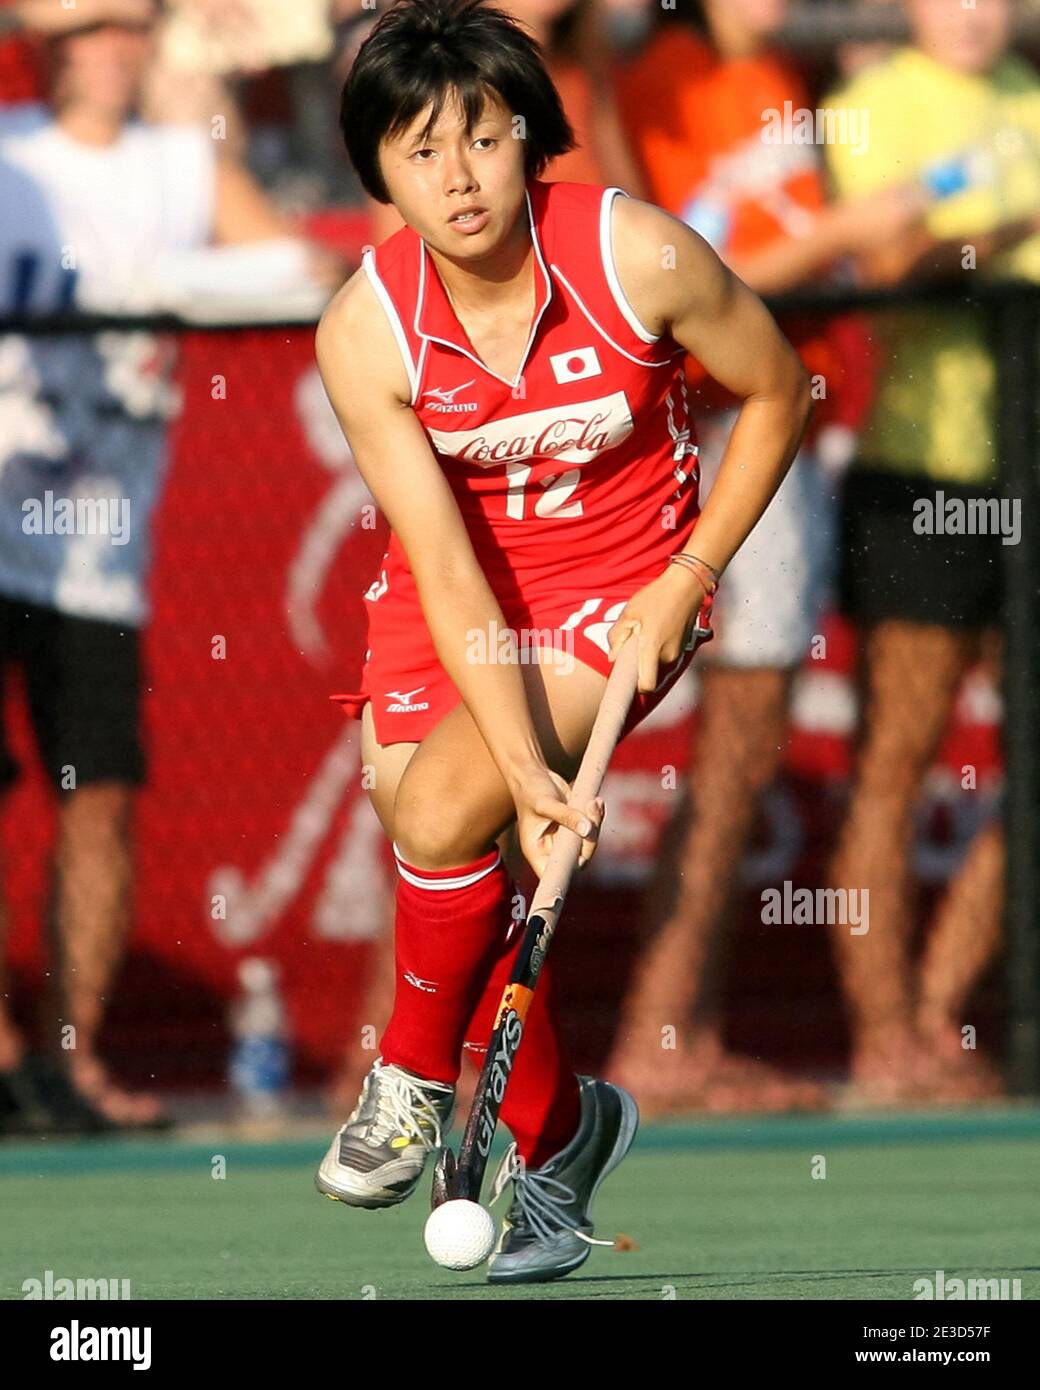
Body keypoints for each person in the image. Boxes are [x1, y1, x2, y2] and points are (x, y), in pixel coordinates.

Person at [313, 0, 810, 1283]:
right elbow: (439, 564)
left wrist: (693, 568)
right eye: (419, 150)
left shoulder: (634, 254)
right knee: (454, 855)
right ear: (377, 170)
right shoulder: (364, 330)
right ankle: (562, 1130)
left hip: (627, 589)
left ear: (530, 137)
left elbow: (775, 388)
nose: (457, 176)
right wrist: (524, 772)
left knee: (434, 822)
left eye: (481, 138)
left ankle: (413, 1072)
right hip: (461, 599)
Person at [0, 0, 338, 1135]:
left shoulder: (173, 168)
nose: (109, 43)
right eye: (86, 25)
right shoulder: (10, 156)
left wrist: (187, 283)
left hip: (98, 548)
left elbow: (297, 271)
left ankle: (71, 1058)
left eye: (128, 24)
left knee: (98, 798)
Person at [604, 0, 923, 1113]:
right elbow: (697, 281)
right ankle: (659, 1031)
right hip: (724, 430)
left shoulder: (787, 71)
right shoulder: (665, 79)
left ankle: (678, 1024)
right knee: (734, 729)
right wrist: (845, 236)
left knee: (751, 728)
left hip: (795, 425)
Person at [821, 0, 1040, 1104]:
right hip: (919, 478)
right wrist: (1003, 237)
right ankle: (880, 1035)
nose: (975, 12)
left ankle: (940, 1011)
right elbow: (887, 271)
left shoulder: (1027, 98)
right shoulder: (869, 107)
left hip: (1027, 477)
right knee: (893, 764)